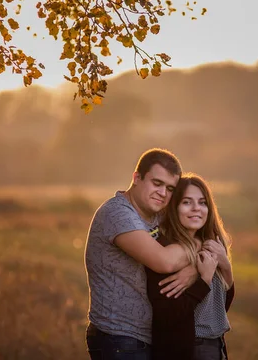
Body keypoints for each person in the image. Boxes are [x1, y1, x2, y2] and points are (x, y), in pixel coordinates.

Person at [84, 149, 211, 359]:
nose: (163, 193)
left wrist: (192, 268)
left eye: (170, 188)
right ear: (136, 177)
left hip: (149, 337)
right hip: (118, 337)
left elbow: (202, 234)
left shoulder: (158, 216)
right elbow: (163, 262)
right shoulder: (117, 213)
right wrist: (195, 263)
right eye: (157, 183)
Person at [146, 173, 235, 360]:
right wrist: (203, 280)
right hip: (189, 348)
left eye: (202, 202)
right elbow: (167, 315)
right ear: (174, 208)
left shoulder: (211, 245)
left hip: (216, 345)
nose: (197, 209)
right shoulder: (166, 252)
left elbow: (219, 306)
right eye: (187, 202)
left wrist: (225, 265)